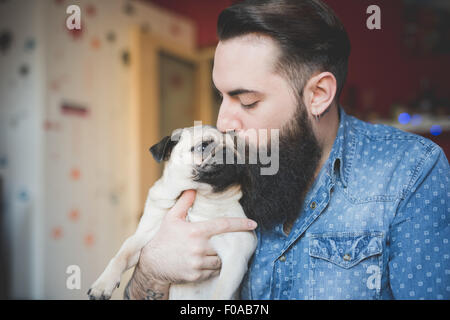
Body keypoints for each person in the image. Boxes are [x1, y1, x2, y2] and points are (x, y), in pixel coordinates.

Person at [124, 0, 450, 300]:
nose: (223, 122)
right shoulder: (225, 173)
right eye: (220, 97)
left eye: (247, 101)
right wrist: (152, 272)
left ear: (318, 94)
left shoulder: (410, 171)